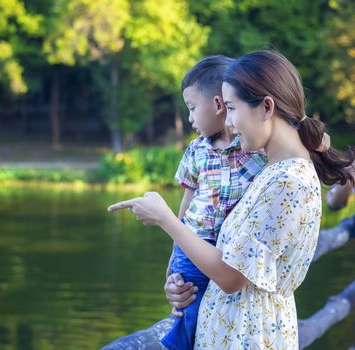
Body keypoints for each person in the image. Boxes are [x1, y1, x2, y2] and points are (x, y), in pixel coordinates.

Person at [108, 50, 355, 349]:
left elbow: (231, 277)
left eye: (233, 108)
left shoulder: (286, 182)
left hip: (246, 338)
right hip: (234, 332)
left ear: (266, 107)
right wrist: (180, 278)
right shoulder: (274, 171)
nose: (229, 123)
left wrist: (166, 219)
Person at [161, 55, 267, 350]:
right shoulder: (196, 150)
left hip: (232, 251)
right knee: (189, 301)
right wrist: (175, 248)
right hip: (196, 241)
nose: (190, 118)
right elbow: (188, 197)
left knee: (225, 308)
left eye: (193, 108)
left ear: (219, 105)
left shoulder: (255, 150)